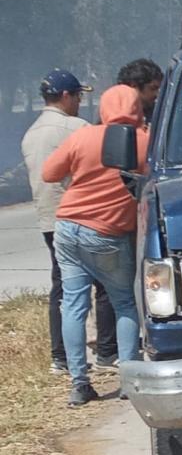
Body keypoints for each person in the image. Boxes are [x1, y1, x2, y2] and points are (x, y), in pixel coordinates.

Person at [42, 85, 148, 406]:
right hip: (108, 234)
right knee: (125, 304)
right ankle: (129, 381)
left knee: (73, 305)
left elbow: (49, 173)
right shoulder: (145, 141)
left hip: (68, 227)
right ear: (137, 108)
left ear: (103, 109)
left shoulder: (83, 136)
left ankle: (79, 383)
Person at [20, 69, 120, 375]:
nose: (79, 101)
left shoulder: (31, 133)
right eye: (77, 96)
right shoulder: (76, 127)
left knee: (61, 287)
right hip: (84, 215)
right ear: (65, 96)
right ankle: (106, 352)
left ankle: (60, 357)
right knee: (104, 283)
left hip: (50, 220)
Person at [116, 58, 163, 124]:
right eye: (153, 88)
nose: (157, 94)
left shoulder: (159, 116)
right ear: (134, 87)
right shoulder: (113, 116)